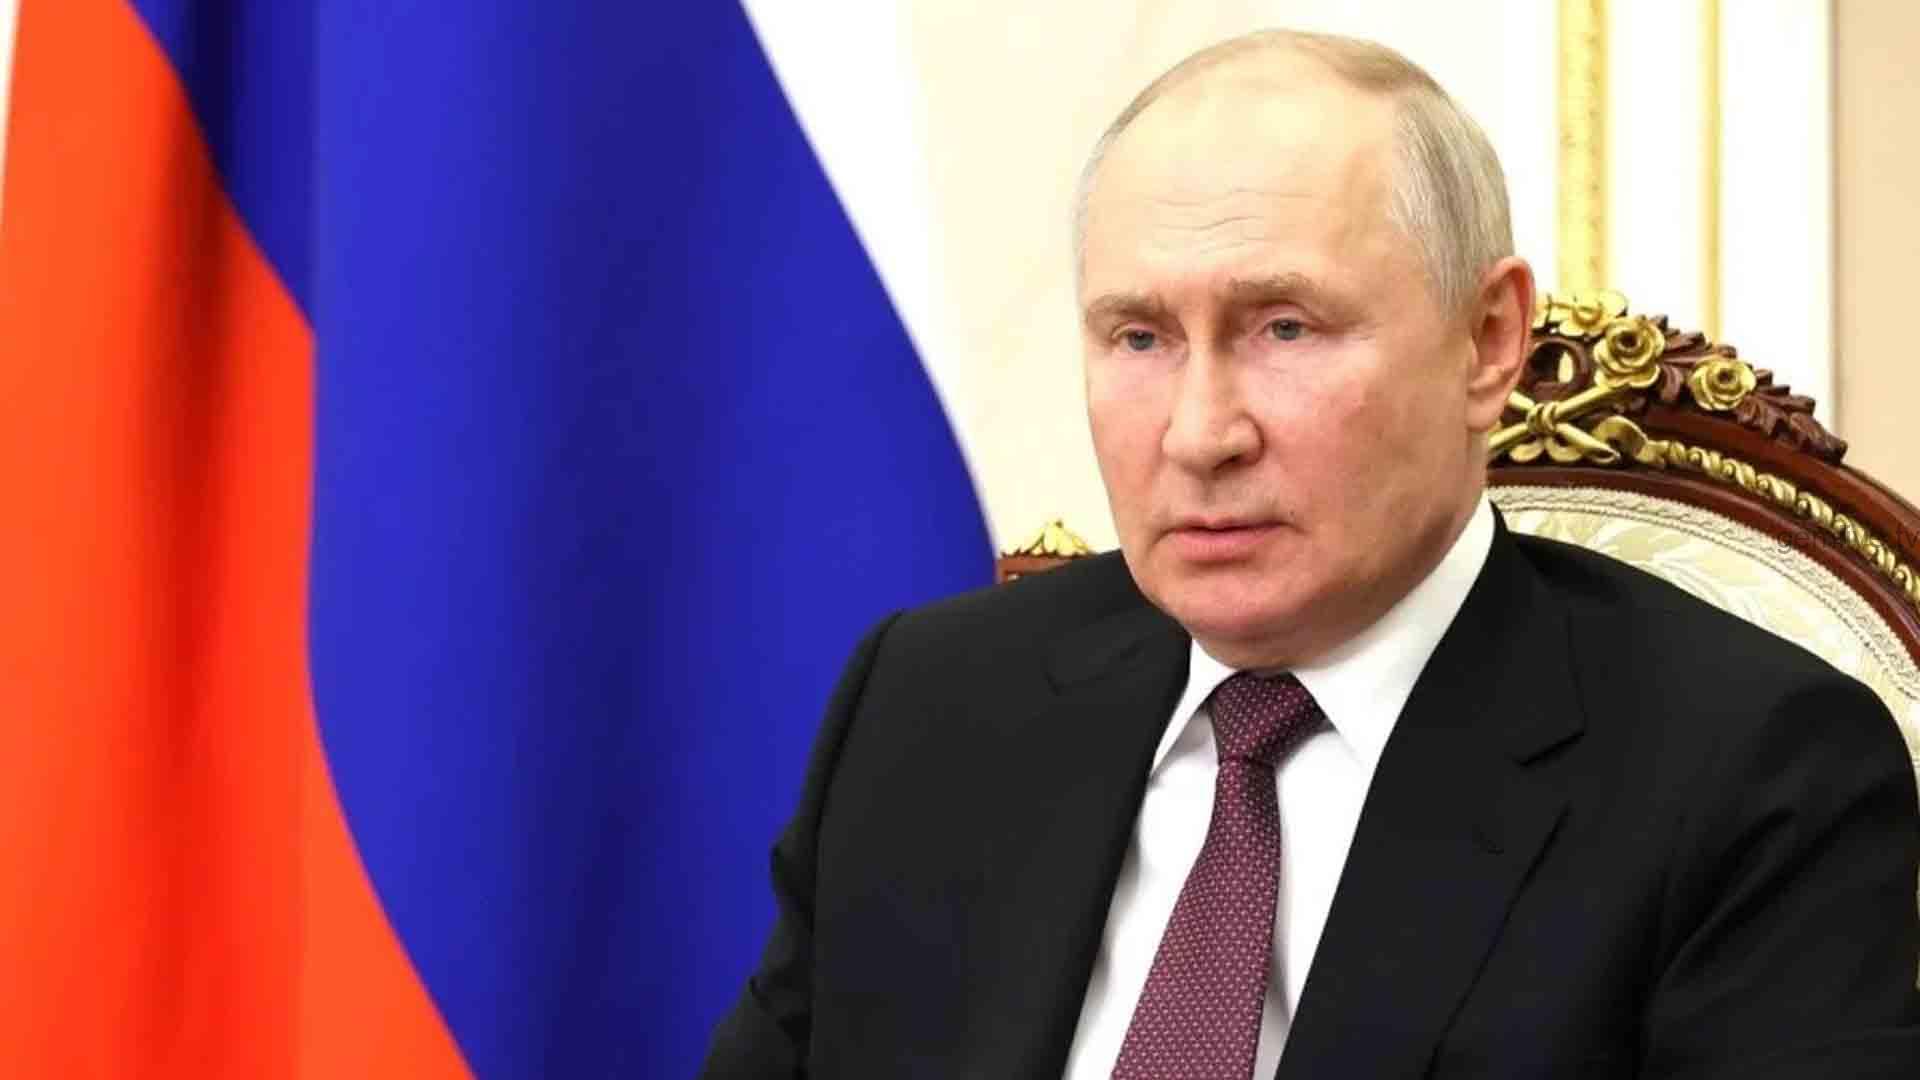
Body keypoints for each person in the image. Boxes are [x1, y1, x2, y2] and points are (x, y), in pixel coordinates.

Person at [701, 29, 1920, 1079]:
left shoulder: (1750, 772)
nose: (1199, 434)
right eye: (1139, 338)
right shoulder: (930, 705)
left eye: (1283, 327)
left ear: (1489, 339)